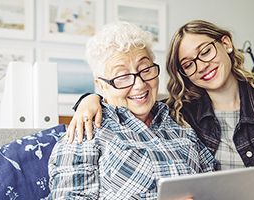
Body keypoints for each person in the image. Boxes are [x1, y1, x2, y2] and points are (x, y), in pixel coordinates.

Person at [67, 20, 254, 199]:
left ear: (226, 44)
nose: (201, 66)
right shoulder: (181, 113)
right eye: (188, 64)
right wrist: (90, 100)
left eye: (204, 51)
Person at [46, 21, 217, 199]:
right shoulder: (85, 134)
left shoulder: (180, 123)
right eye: (122, 77)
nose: (140, 85)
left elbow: (212, 186)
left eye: (145, 69)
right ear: (101, 85)